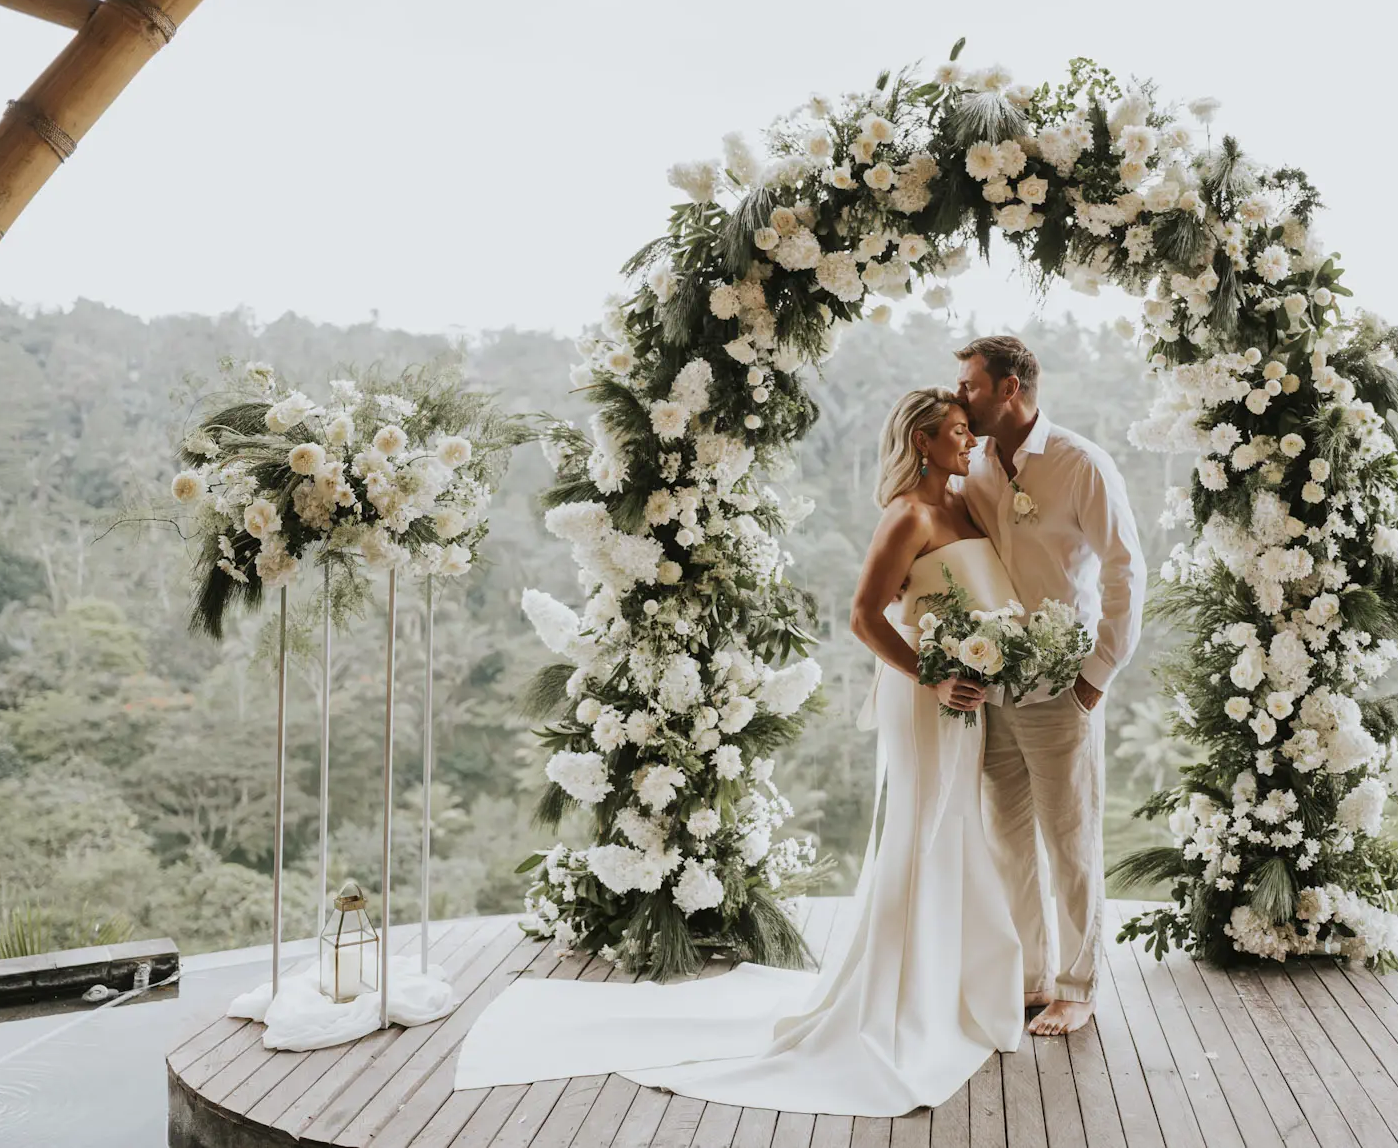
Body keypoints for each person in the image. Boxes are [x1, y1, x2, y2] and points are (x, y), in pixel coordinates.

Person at [454, 389, 1025, 1116]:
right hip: (922, 695)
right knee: (920, 836)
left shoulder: (965, 506)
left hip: (965, 694)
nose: (968, 441)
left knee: (959, 832)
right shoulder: (907, 516)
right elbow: (862, 615)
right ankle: (893, 1003)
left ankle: (951, 989)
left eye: (968, 431)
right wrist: (931, 671)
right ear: (920, 440)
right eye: (954, 432)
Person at [953, 334, 1146, 1037]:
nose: (961, 398)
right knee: (1008, 840)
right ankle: (1029, 978)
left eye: (971, 385)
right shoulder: (971, 463)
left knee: (1070, 840)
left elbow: (1128, 570)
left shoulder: (1080, 463)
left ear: (1010, 388)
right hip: (991, 690)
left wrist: (1095, 677)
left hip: (1063, 690)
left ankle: (1077, 985)